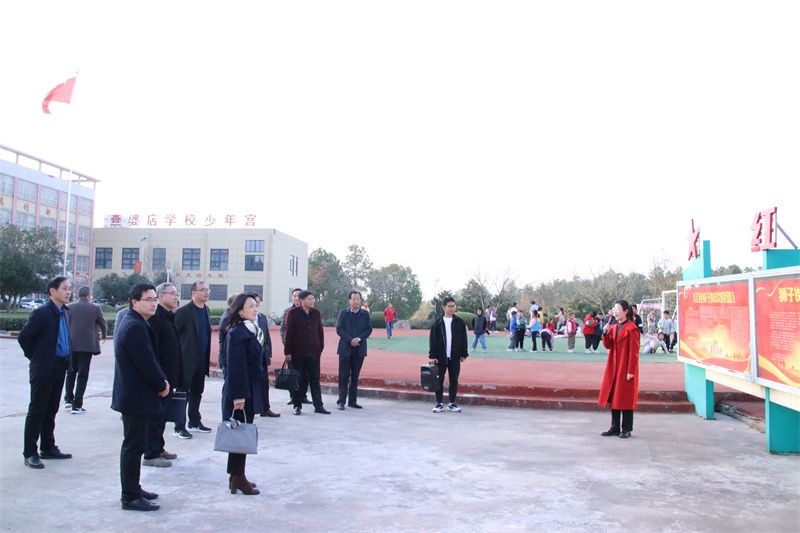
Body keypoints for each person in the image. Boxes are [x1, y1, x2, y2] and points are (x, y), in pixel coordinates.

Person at [111, 283, 170, 511]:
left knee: (136, 445)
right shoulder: (134, 326)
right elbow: (146, 363)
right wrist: (161, 383)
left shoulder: (136, 322)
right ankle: (130, 496)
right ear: (134, 302)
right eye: (149, 299)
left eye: (155, 299)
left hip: (136, 394)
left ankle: (134, 488)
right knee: (133, 447)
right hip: (135, 396)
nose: (154, 303)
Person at [18, 276, 73, 469]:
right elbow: (25, 338)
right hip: (43, 368)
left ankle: (48, 447)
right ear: (52, 291)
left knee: (51, 409)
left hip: (60, 366)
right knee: (37, 410)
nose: (68, 292)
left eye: (69, 288)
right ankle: (30, 453)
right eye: (64, 288)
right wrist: (36, 357)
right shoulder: (42, 313)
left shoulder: (64, 312)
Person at [223, 293, 266, 495]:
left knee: (242, 432)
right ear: (240, 311)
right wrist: (238, 397)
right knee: (240, 433)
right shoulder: (237, 334)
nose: (255, 309)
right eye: (251, 306)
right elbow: (235, 367)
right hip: (241, 391)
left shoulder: (251, 330)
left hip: (250, 388)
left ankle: (236, 475)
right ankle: (238, 477)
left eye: (256, 305)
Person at [143, 282, 183, 468]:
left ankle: (158, 447)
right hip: (161, 376)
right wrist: (159, 378)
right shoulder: (155, 318)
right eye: (172, 293)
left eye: (176, 293)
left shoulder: (168, 316)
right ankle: (150, 453)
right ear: (161, 297)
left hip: (169, 374)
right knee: (156, 416)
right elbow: (153, 351)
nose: (176, 297)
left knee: (162, 415)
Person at [174, 281, 212, 437]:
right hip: (186, 360)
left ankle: (194, 421)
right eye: (203, 290)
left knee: (197, 391)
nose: (206, 292)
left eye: (207, 289)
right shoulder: (184, 312)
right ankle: (179, 426)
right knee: (182, 393)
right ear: (193, 293)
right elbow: (173, 336)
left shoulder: (206, 310)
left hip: (202, 358)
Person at [597, 299, 641, 439]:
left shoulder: (632, 329)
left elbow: (634, 352)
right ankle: (615, 427)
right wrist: (605, 333)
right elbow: (608, 345)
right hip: (614, 366)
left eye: (618, 309)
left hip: (625, 367)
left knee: (626, 398)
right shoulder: (614, 327)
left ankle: (626, 429)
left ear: (626, 311)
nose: (615, 312)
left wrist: (631, 371)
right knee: (614, 396)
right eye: (614, 309)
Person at [284, 291, 329, 415]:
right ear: (301, 300)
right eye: (309, 299)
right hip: (297, 353)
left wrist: (320, 347)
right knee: (299, 380)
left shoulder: (316, 313)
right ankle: (297, 405)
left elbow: (320, 331)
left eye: (313, 299)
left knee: (315, 380)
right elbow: (288, 333)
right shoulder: (293, 313)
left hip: (314, 353)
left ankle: (318, 405)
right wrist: (287, 352)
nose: (312, 301)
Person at [64, 285, 107, 414]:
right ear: (89, 296)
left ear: (78, 296)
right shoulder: (95, 308)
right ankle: (77, 405)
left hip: (71, 345)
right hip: (87, 346)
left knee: (70, 372)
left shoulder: (69, 308)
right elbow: (103, 324)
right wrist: (104, 335)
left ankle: (68, 399)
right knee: (83, 375)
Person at [429, 297, 468, 413]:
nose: (452, 308)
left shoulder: (459, 322)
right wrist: (432, 356)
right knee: (439, 380)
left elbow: (464, 339)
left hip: (455, 356)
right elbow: (433, 340)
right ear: (443, 307)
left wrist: (464, 353)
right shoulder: (437, 323)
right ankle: (439, 403)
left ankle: (452, 403)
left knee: (454, 380)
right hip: (440, 357)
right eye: (450, 306)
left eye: (454, 306)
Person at [335, 291, 373, 410]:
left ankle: (352, 401)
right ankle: (341, 401)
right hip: (345, 348)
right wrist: (350, 339)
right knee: (343, 375)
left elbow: (368, 329)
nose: (356, 301)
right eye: (354, 299)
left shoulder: (365, 314)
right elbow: (339, 329)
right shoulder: (343, 313)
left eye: (358, 299)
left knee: (355, 375)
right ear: (349, 300)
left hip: (359, 348)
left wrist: (358, 339)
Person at [281, 288, 311, 406]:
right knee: (293, 374)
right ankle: (293, 397)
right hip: (292, 350)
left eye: (298, 296)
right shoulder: (288, 312)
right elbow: (283, 330)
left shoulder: (309, 311)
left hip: (306, 351)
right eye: (294, 296)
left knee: (305, 375)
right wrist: (287, 346)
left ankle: (303, 396)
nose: (296, 298)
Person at [253, 293, 279, 418]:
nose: (257, 306)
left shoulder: (262, 317)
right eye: (254, 303)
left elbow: (266, 337)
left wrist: (268, 353)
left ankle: (265, 408)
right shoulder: (242, 318)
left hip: (262, 355)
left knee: (264, 383)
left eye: (258, 303)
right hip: (250, 356)